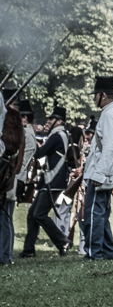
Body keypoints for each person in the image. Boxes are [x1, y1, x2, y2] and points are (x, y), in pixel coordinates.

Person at [81, 76, 113, 260]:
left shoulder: (109, 114)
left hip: (102, 172)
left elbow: (109, 147)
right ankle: (109, 252)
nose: (94, 98)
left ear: (102, 95)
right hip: (107, 171)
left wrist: (99, 173)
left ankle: (94, 253)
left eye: (96, 94)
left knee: (93, 214)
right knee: (100, 214)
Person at [20, 105, 71, 257]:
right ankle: (29, 250)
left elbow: (39, 153)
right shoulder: (58, 135)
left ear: (59, 121)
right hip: (51, 180)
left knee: (39, 214)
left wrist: (31, 134)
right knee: (32, 214)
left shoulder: (57, 136)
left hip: (53, 180)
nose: (48, 121)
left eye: (52, 118)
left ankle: (62, 241)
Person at [0, 86, 24, 265]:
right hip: (7, 173)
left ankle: (5, 256)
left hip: (6, 174)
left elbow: (13, 151)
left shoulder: (12, 120)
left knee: (5, 219)